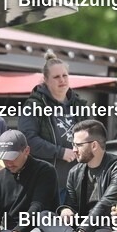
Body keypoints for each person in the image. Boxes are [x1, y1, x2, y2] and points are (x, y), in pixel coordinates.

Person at [18, 50, 88, 191]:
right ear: (46, 80)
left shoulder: (79, 104)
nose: (62, 80)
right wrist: (60, 152)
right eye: (56, 77)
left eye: (64, 75)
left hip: (76, 182)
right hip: (45, 182)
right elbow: (28, 140)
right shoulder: (34, 105)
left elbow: (91, 136)